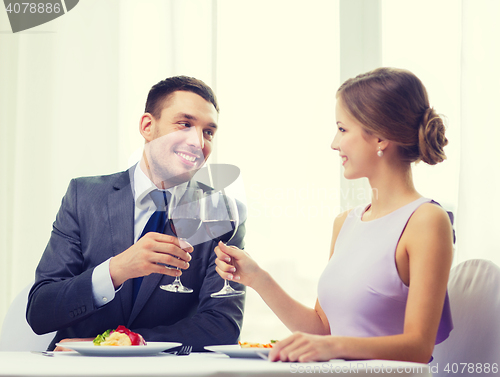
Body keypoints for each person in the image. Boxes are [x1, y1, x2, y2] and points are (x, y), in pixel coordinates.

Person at [214, 67, 454, 363]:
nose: (334, 143)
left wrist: (336, 347)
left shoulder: (426, 221)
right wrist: (258, 278)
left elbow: (418, 348)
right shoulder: (345, 223)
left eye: (342, 129)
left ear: (380, 137)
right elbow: (323, 330)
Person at [27, 76, 246, 351]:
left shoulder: (221, 212)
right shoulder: (83, 196)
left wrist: (118, 344)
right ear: (147, 126)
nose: (198, 141)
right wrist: (116, 270)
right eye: (184, 124)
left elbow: (222, 325)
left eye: (209, 132)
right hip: (76, 369)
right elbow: (40, 311)